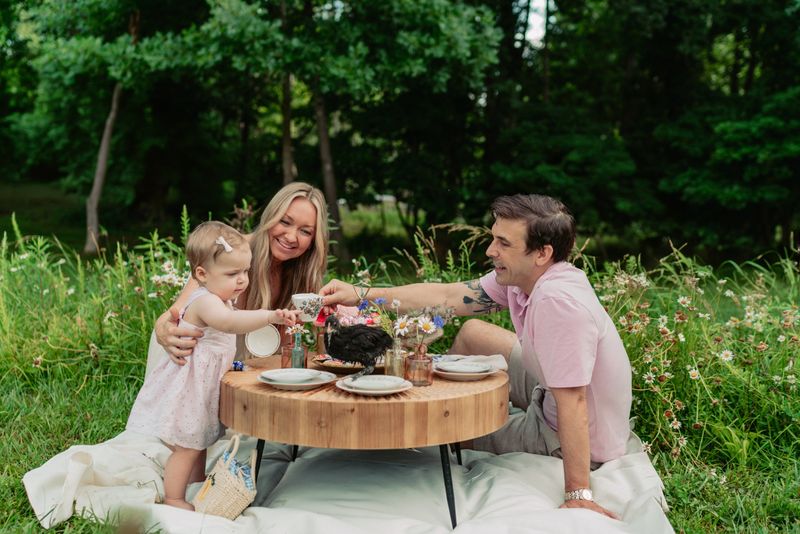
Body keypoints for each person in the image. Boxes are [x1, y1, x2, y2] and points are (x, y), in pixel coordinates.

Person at [320, 194, 631, 519]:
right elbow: (448, 295)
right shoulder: (527, 278)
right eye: (493, 238)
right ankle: (442, 401)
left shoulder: (558, 303)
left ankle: (434, 422)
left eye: (503, 243)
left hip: (568, 434)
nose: (490, 251)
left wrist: (578, 493)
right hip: (549, 389)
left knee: (452, 426)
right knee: (473, 333)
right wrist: (361, 296)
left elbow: (574, 402)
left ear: (542, 252)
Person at [127, 221, 300, 510]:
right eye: (233, 273)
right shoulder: (206, 302)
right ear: (202, 274)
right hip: (190, 387)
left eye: (245, 271)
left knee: (200, 439)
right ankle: (174, 498)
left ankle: (196, 482)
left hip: (202, 385)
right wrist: (271, 316)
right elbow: (230, 323)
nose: (242, 280)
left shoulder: (220, 298)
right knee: (187, 446)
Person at [150, 182, 329, 365]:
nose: (291, 237)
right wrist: (162, 329)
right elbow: (175, 313)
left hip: (245, 373)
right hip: (191, 365)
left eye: (305, 231)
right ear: (270, 217)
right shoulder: (228, 256)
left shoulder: (301, 276)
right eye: (284, 221)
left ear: (314, 241)